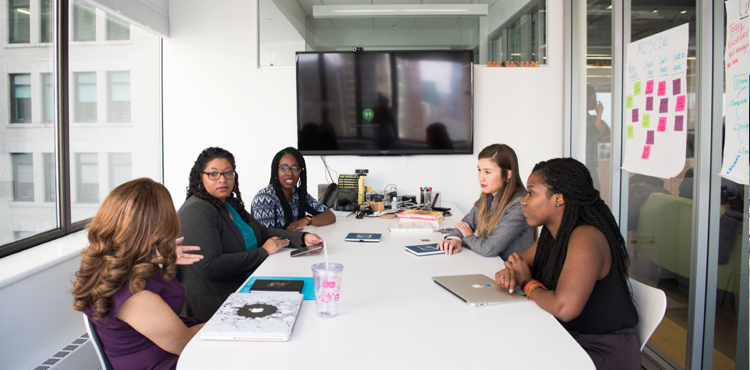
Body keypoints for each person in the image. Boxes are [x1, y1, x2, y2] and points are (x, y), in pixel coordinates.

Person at [495, 158, 640, 370]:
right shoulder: (554, 235)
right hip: (565, 335)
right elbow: (515, 264)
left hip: (598, 351)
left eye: (531, 193)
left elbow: (564, 308)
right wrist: (510, 274)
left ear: (558, 199)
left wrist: (526, 282)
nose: (523, 201)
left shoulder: (586, 238)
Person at [71, 178, 206, 370]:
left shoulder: (108, 264)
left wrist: (153, 256)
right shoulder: (136, 295)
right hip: (168, 361)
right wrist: (219, 323)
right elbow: (186, 346)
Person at [177, 147, 323, 321]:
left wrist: (301, 238)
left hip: (247, 286)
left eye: (228, 172)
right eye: (214, 174)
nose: (222, 179)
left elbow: (262, 232)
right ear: (200, 176)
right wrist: (263, 252)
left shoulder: (228, 202)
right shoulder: (196, 210)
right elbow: (210, 266)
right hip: (215, 304)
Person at [436, 144, 535, 259]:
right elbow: (466, 223)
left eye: (487, 172)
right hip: (493, 266)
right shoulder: (488, 196)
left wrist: (468, 236)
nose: (480, 177)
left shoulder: (519, 205)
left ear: (508, 174)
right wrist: (454, 239)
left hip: (510, 273)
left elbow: (488, 248)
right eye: (479, 170)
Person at [252, 147, 335, 230]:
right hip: (286, 242)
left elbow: (330, 216)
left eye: (295, 168)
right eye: (284, 168)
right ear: (275, 170)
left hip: (297, 241)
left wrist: (307, 220)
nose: (289, 173)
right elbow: (267, 237)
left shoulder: (297, 194)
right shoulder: (264, 199)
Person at [586, 84, 611, 190]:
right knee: (594, 191)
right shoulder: (582, 116)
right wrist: (600, 113)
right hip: (587, 162)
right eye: (593, 100)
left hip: (589, 161)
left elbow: (603, 133)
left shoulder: (590, 118)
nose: (596, 103)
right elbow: (593, 133)